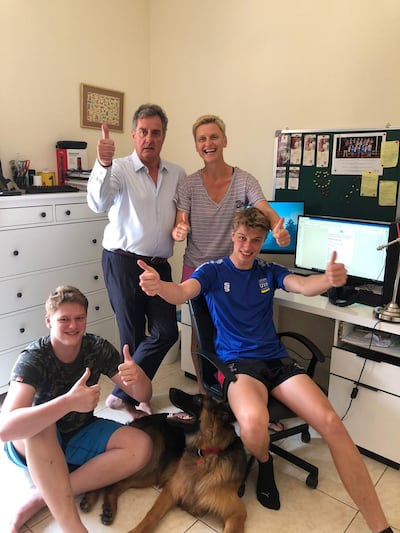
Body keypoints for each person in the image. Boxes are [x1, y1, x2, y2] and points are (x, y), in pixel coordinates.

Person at [138, 207, 393, 533]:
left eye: (256, 241)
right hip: (238, 366)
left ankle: (380, 527)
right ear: (233, 235)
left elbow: (301, 285)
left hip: (276, 360)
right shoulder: (212, 271)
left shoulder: (267, 270)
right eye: (242, 238)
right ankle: (264, 461)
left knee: (331, 422)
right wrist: (160, 287)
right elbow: (183, 292)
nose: (247, 247)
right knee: (255, 427)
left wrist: (327, 281)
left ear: (262, 242)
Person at [0, 286, 153, 533]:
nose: (73, 326)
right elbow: (5, 429)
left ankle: (43, 496)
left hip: (79, 432)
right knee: (42, 424)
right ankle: (71, 525)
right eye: (64, 319)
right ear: (49, 321)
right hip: (35, 441)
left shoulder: (97, 348)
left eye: (79, 318)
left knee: (142, 446)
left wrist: (139, 378)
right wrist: (68, 402)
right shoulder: (34, 358)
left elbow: (143, 396)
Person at [172, 114, 290, 394]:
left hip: (232, 271)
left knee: (236, 334)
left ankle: (244, 392)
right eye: (202, 139)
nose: (208, 143)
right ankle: (205, 394)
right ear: (196, 146)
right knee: (199, 337)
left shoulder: (244, 180)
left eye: (214, 137)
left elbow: (263, 208)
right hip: (197, 268)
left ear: (224, 141)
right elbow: (181, 220)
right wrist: (179, 230)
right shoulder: (188, 184)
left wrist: (277, 227)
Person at [87, 103, 186, 418]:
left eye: (156, 132)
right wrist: (102, 163)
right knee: (131, 335)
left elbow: (181, 213)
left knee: (166, 330)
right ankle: (134, 397)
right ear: (133, 134)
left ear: (164, 136)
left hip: (159, 265)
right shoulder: (118, 168)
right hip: (123, 261)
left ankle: (122, 392)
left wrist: (182, 226)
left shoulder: (177, 173)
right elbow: (97, 202)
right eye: (143, 132)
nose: (149, 138)